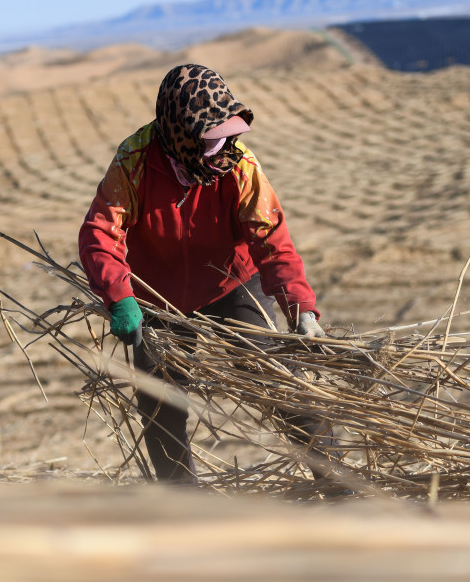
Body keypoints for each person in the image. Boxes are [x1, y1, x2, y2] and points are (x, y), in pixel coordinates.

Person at [78, 63, 330, 483]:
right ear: (180, 130)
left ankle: (337, 481)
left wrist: (300, 306)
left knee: (282, 385)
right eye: (210, 138)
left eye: (228, 134)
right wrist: (120, 297)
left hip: (231, 283)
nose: (222, 145)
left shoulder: (239, 165)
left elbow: (271, 237)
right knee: (161, 406)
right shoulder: (134, 161)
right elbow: (101, 232)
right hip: (157, 300)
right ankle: (184, 504)